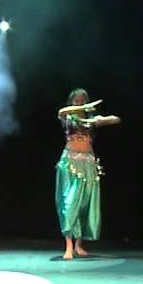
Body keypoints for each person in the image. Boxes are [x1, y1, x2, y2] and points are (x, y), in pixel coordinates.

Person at [55, 89, 120, 260]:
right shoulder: (67, 117)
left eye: (82, 101)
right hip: (70, 163)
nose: (79, 103)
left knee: (85, 203)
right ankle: (68, 245)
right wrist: (85, 107)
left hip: (89, 163)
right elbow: (61, 111)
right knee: (70, 203)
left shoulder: (91, 121)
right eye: (76, 101)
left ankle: (78, 245)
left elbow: (115, 119)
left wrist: (100, 119)